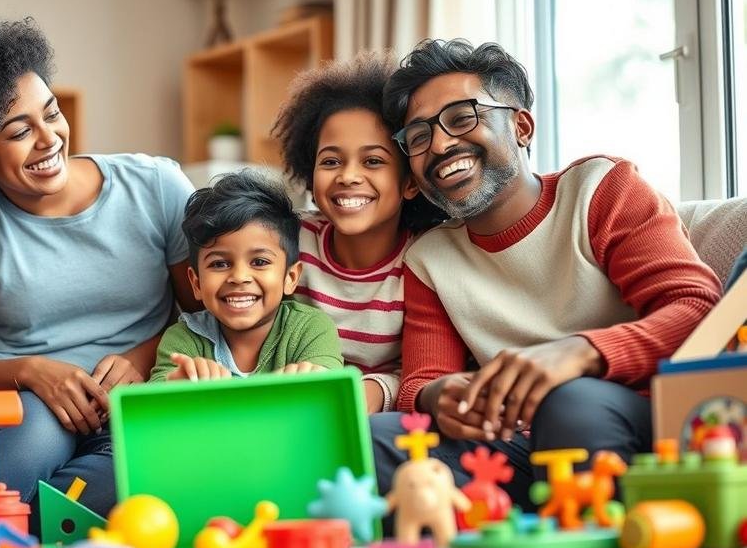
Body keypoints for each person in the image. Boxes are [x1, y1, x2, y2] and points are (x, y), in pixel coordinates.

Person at [0, 18, 199, 521]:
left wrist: (141, 356)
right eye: (20, 131)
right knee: (41, 425)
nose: (49, 139)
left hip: (122, 401)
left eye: (52, 114)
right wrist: (30, 373)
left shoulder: (156, 186)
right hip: (14, 401)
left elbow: (203, 313)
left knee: (122, 466)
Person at [370, 39, 722, 507]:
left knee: (571, 404)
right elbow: (421, 380)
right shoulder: (429, 260)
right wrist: (441, 396)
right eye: (418, 136)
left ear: (520, 126)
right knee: (377, 440)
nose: (439, 144)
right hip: (511, 446)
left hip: (631, 421)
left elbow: (697, 310)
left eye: (462, 117)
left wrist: (579, 354)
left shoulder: (602, 190)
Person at [272, 51, 445, 413]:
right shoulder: (289, 239)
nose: (348, 176)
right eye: (331, 161)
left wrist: (363, 394)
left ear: (410, 183)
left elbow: (422, 372)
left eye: (373, 161)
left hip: (375, 420)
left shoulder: (427, 260)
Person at [149, 171, 343, 382]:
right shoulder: (183, 338)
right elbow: (153, 401)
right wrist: (177, 388)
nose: (239, 277)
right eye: (220, 264)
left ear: (290, 277)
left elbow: (330, 391)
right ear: (196, 283)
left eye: (259, 262)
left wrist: (315, 384)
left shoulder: (311, 328)